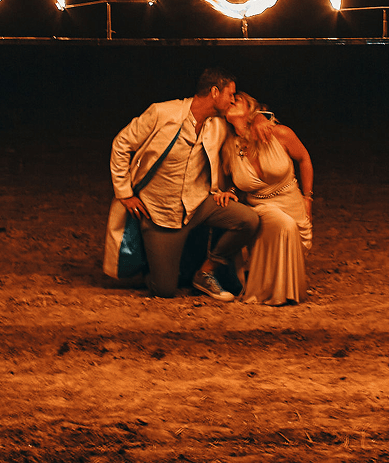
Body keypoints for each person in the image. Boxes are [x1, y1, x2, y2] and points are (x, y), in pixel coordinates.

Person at [105, 68, 260, 301]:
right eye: (230, 94)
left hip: (198, 205)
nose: (232, 100)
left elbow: (249, 118)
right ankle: (153, 262)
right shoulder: (162, 112)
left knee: (248, 220)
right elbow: (121, 144)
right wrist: (125, 193)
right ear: (215, 92)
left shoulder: (217, 124)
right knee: (165, 289)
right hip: (159, 212)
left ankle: (206, 271)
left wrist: (258, 118)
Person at [219, 92, 315, 306]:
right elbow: (235, 181)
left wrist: (307, 198)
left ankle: (276, 288)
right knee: (284, 225)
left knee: (292, 230)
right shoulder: (228, 148)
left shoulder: (278, 133)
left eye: (238, 99)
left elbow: (304, 158)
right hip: (260, 206)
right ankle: (278, 293)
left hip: (292, 202)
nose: (232, 101)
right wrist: (231, 191)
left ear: (251, 109)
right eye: (230, 100)